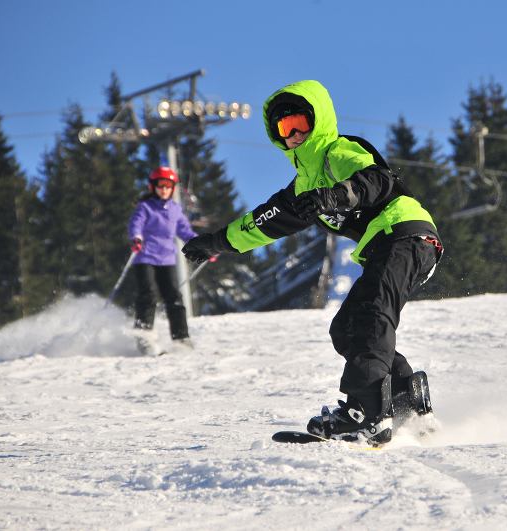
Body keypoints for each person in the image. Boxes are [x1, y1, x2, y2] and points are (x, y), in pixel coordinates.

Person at [182, 80, 443, 444]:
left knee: (370, 317)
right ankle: (406, 402)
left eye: (300, 124)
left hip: (406, 235)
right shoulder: (302, 188)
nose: (294, 135)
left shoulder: (338, 152)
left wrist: (335, 196)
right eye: (284, 129)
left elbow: (376, 180)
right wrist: (214, 243)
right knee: (348, 328)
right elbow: (262, 222)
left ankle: (365, 411)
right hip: (389, 246)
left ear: (318, 121)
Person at [128, 166, 198, 355]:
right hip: (145, 257)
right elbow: (136, 224)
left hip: (167, 259)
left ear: (173, 188)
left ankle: (181, 337)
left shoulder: (175, 209)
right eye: (161, 185)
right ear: (153, 187)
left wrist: (205, 246)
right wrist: (136, 237)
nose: (164, 189)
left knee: (174, 297)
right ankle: (144, 336)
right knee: (149, 294)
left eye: (168, 186)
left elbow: (185, 231)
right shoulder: (145, 207)